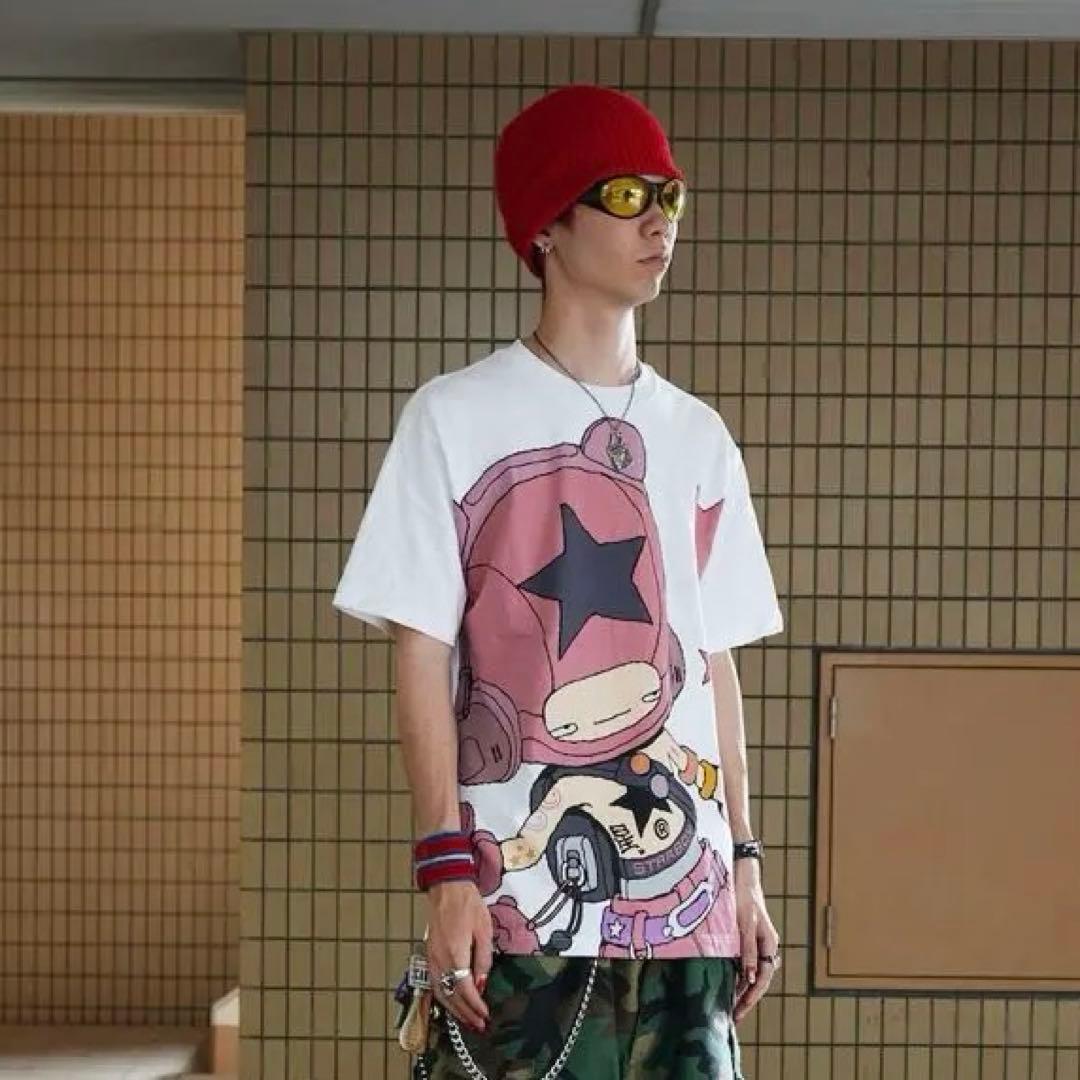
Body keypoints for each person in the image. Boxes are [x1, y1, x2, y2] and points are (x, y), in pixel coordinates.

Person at [333, 84, 784, 1080]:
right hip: (516, 905)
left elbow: (713, 665)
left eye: (670, 194)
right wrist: (444, 870)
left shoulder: (699, 437)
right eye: (624, 194)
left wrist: (744, 864)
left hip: (689, 911)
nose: (659, 220)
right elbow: (421, 656)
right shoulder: (453, 419)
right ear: (546, 225)